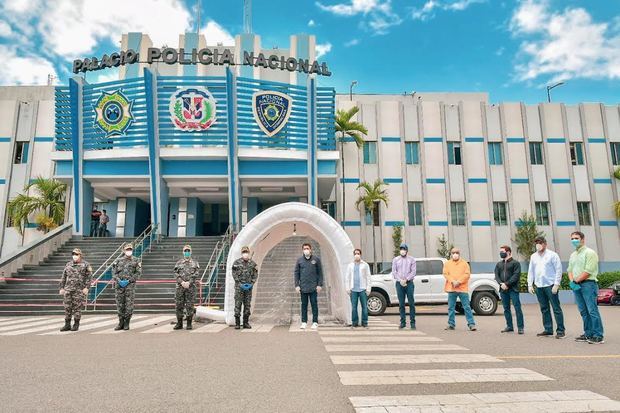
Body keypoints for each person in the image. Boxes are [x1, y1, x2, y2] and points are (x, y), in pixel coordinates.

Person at [568, 231, 604, 344]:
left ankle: (598, 335)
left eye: (576, 238)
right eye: (572, 238)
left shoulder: (590, 253)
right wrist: (572, 282)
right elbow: (569, 270)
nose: (574, 240)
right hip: (576, 285)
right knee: (583, 311)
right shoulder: (573, 255)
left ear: (583, 239)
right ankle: (588, 333)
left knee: (592, 310)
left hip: (588, 284)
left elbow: (588, 271)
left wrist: (576, 280)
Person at [527, 237, 565, 339]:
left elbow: (558, 270)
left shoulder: (552, 255)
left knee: (556, 308)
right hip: (539, 286)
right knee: (544, 309)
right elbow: (531, 271)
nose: (538, 245)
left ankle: (561, 330)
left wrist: (556, 284)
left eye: (540, 243)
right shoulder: (533, 256)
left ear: (545, 244)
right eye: (536, 243)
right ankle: (548, 329)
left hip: (551, 285)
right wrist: (530, 284)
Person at [58, 248, 92, 332]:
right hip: (68, 289)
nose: (75, 256)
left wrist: (86, 287)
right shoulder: (68, 264)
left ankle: (76, 324)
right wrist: (61, 287)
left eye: (76, 254)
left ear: (80, 255)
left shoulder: (86, 265)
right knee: (67, 307)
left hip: (79, 290)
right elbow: (64, 276)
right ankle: (67, 324)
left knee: (77, 308)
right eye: (73, 254)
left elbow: (89, 277)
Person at [443, 247, 476, 331]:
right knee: (451, 307)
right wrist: (453, 281)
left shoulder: (464, 263)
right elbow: (445, 274)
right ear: (451, 254)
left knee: (467, 307)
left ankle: (471, 324)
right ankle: (451, 324)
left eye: (456, 253)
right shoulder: (447, 264)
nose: (455, 254)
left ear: (459, 254)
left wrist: (459, 281)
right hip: (452, 288)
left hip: (462, 289)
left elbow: (467, 274)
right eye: (453, 253)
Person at [111, 243, 142, 330]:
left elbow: (138, 273)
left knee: (129, 305)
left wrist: (129, 280)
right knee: (120, 304)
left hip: (130, 286)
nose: (129, 251)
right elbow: (113, 272)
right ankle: (120, 322)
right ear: (123, 250)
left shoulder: (136, 260)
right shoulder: (118, 260)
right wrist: (118, 280)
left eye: (130, 249)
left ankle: (127, 323)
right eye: (127, 249)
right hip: (119, 286)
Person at [495, 245, 524, 334]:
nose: (501, 253)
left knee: (517, 307)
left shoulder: (515, 263)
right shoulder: (499, 264)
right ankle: (509, 326)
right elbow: (496, 275)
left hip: (513, 289)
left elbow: (516, 276)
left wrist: (507, 284)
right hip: (503, 290)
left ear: (508, 252)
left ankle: (520, 327)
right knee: (506, 308)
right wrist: (501, 284)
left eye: (502, 252)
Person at [294, 243, 323, 330]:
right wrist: (297, 285)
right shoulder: (299, 260)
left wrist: (319, 285)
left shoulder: (316, 260)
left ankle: (315, 322)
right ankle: (304, 322)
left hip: (314, 287)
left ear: (310, 249)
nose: (306, 250)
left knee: (314, 304)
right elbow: (296, 273)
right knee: (304, 305)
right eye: (304, 248)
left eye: (307, 248)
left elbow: (320, 273)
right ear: (302, 250)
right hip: (303, 287)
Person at [173, 245, 200, 330]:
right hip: (180, 287)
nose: (187, 252)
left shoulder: (195, 263)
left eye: (188, 251)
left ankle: (189, 323)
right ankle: (179, 323)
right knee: (179, 305)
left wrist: (189, 282)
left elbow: (196, 274)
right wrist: (182, 282)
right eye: (185, 251)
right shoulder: (178, 263)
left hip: (190, 287)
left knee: (190, 305)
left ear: (191, 252)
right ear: (183, 252)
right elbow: (175, 274)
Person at [232, 246, 258, 330]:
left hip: (248, 288)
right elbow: (234, 274)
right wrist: (239, 284)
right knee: (238, 305)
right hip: (239, 288)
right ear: (241, 253)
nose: (245, 254)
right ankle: (237, 323)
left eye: (246, 252)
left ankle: (246, 322)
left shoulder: (253, 264)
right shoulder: (236, 263)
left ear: (249, 253)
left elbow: (255, 274)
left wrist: (252, 283)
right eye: (244, 252)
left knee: (247, 305)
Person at [392, 243, 416, 330]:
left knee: (411, 303)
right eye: (401, 249)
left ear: (407, 250)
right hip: (399, 283)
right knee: (401, 304)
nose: (402, 251)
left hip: (409, 283)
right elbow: (394, 272)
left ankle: (412, 323)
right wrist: (400, 280)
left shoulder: (412, 259)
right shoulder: (396, 259)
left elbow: (413, 272)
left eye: (404, 249)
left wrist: (406, 279)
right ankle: (403, 322)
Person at [345, 248, 372, 328]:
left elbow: (368, 277)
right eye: (355, 254)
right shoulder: (350, 265)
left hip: (362, 289)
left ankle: (365, 322)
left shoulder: (365, 265)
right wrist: (347, 288)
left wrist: (368, 288)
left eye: (358, 254)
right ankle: (354, 322)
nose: (357, 255)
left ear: (360, 255)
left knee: (364, 307)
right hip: (353, 289)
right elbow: (347, 278)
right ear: (354, 255)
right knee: (354, 307)